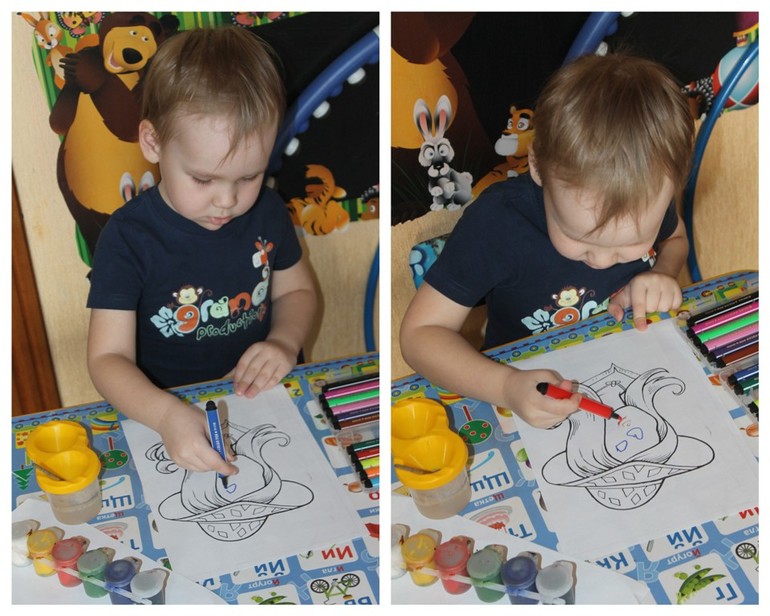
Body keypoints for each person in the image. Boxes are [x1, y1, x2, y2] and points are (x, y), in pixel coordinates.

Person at [400, 53, 694, 429]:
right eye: (579, 238)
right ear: (538, 165)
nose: (603, 261)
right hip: (522, 391)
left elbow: (675, 238)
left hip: (631, 368)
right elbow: (419, 336)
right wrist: (505, 386)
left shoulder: (650, 190)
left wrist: (663, 271)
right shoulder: (497, 224)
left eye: (630, 244)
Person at [87, 26, 317, 476]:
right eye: (204, 179)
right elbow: (106, 360)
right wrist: (165, 415)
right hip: (164, 417)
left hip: (264, 402)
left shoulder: (268, 210)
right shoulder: (128, 237)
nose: (227, 201)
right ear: (153, 142)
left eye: (249, 176)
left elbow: (297, 292)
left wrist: (284, 342)